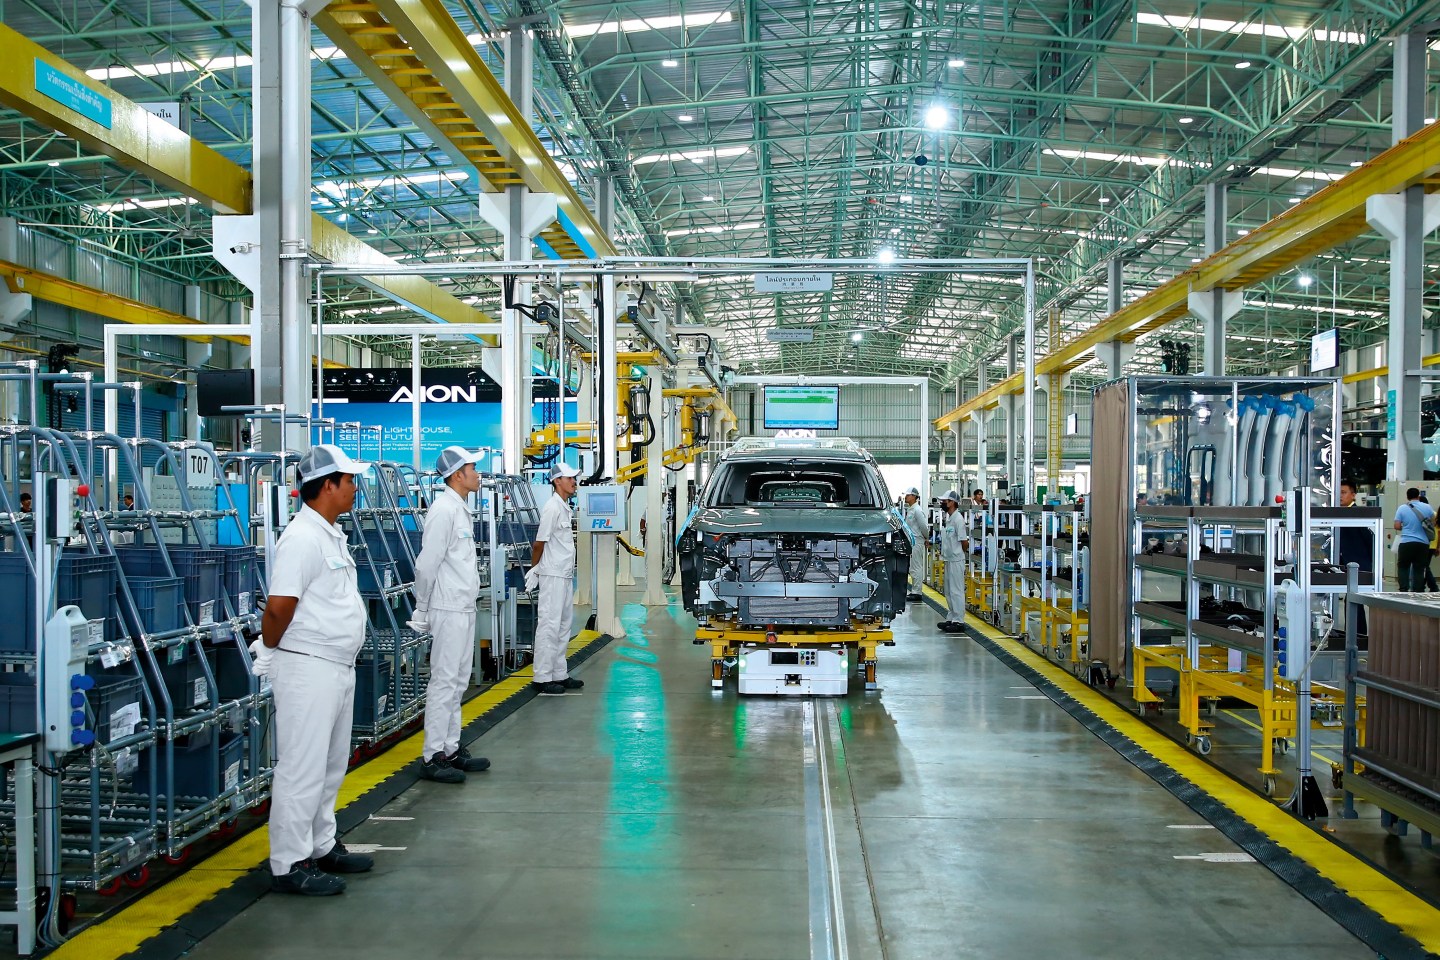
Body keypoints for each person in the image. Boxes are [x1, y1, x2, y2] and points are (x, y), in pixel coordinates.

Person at [252, 445, 375, 896]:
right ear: (327, 485)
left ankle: (322, 844)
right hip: (307, 668)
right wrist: (268, 651)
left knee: (329, 766)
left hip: (337, 666)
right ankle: (288, 862)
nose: (355, 488)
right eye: (349, 480)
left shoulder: (330, 535)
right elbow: (279, 607)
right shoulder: (302, 538)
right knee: (301, 769)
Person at [409, 447, 492, 784]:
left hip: (462, 606)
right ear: (458, 475)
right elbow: (426, 564)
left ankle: (450, 748)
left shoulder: (459, 508)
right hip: (446, 608)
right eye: (473, 468)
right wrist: (422, 607)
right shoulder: (443, 510)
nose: (478, 474)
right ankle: (432, 756)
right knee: (444, 681)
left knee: (458, 680)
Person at [527, 464, 584, 695]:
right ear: (557, 481)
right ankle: (542, 677)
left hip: (564, 575)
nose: (573, 481)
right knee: (549, 626)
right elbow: (539, 543)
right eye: (569, 478)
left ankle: (559, 673)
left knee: (562, 626)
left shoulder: (565, 507)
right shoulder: (552, 508)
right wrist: (535, 569)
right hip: (551, 575)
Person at [938, 490, 969, 632]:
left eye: (945, 501)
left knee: (956, 591)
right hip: (949, 559)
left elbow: (964, 542)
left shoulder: (958, 519)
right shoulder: (949, 518)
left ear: (952, 502)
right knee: (949, 591)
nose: (942, 503)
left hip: (957, 560)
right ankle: (951, 617)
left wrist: (959, 554)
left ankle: (959, 621)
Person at [1393, 487, 1434, 592]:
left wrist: (1406, 527)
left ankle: (1403, 589)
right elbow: (1432, 523)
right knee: (1419, 568)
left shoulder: (1402, 508)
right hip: (1423, 543)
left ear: (1407, 497)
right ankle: (1418, 590)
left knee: (1403, 566)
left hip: (1406, 542)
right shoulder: (1427, 507)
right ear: (1418, 496)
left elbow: (1397, 526)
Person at [901, 487, 928, 600]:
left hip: (917, 541)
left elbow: (923, 527)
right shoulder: (911, 509)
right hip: (912, 541)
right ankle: (915, 590)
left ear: (914, 496)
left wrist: (927, 538)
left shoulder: (917, 510)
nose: (906, 497)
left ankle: (917, 592)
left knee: (916, 566)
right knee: (912, 566)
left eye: (908, 495)